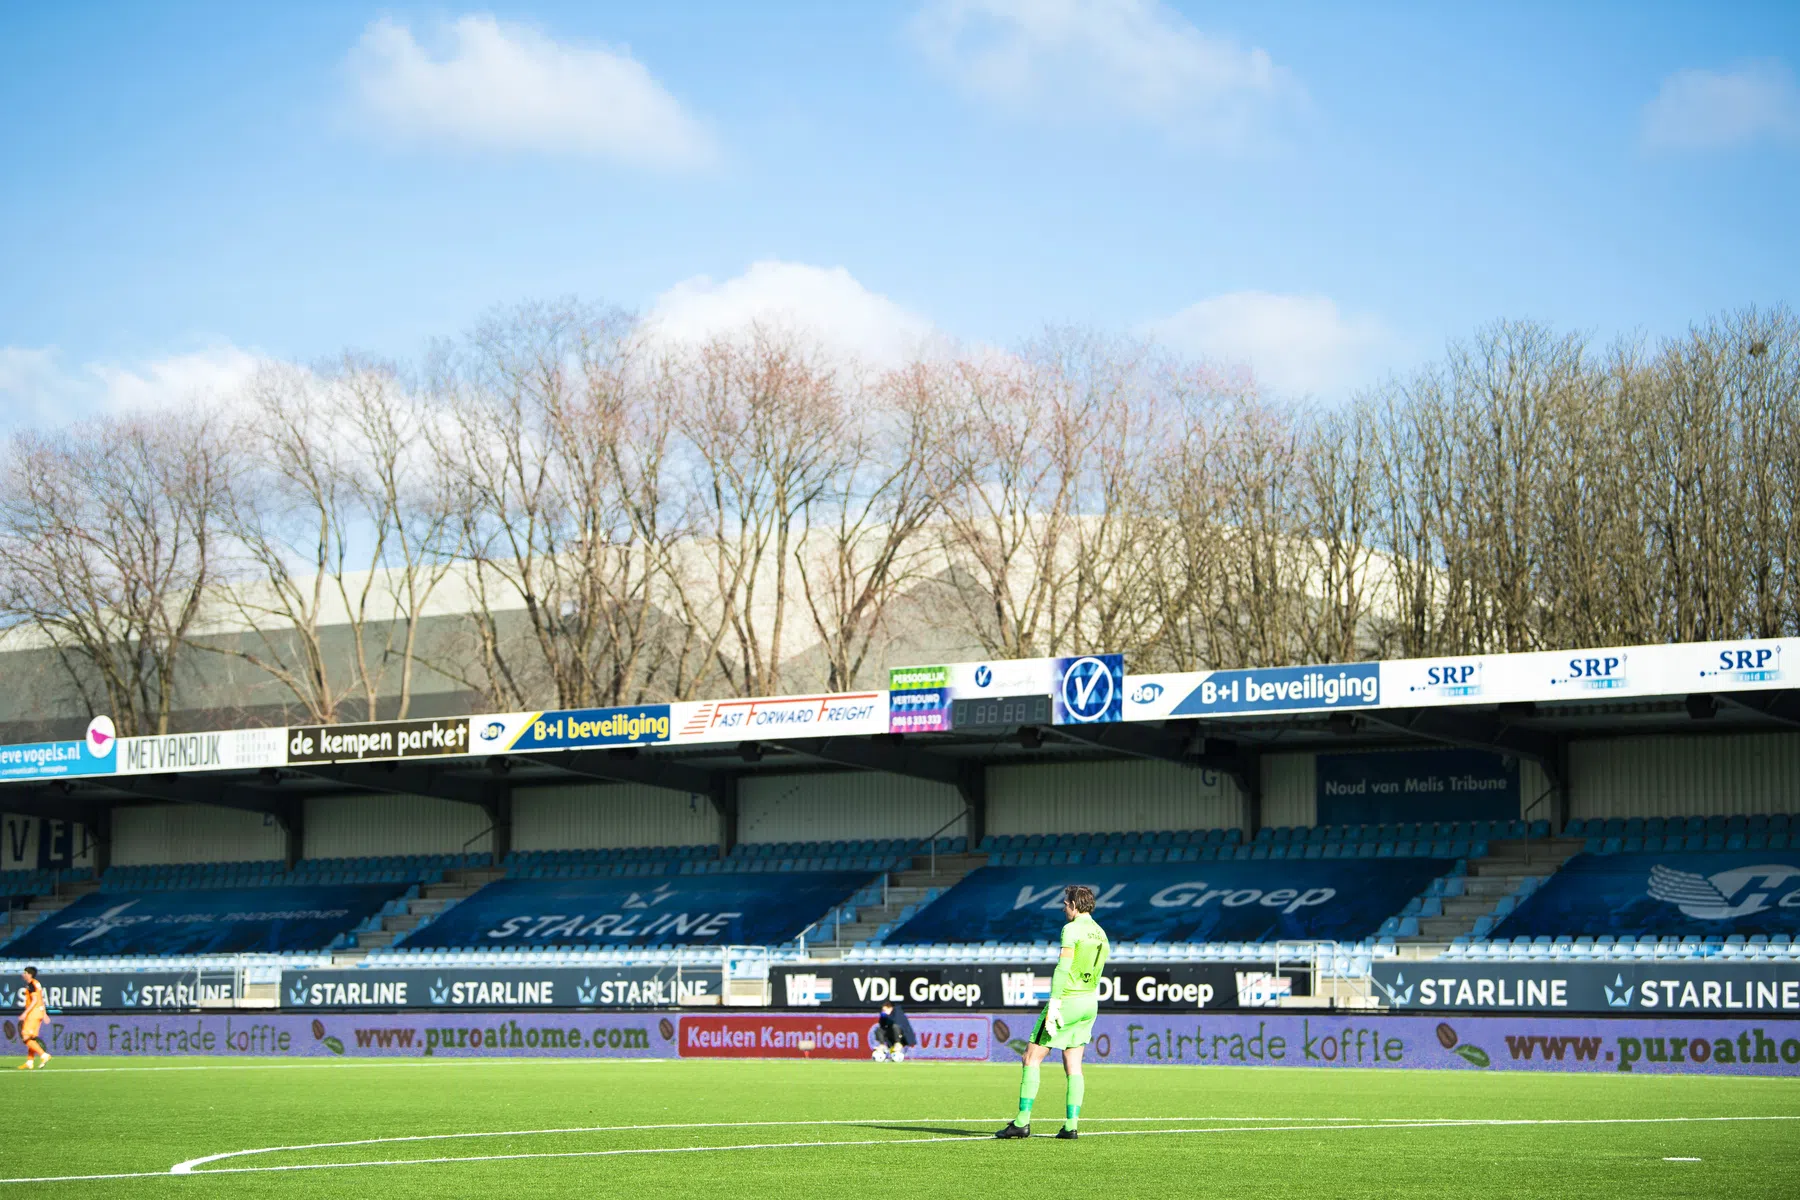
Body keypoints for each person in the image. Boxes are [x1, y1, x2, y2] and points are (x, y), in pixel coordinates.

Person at [997, 884, 1108, 1141]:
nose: (1063, 908)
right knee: (1074, 1065)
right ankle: (1071, 1125)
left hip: (1068, 1001)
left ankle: (1022, 1122)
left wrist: (1055, 1003)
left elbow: (1063, 968)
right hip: (1089, 1003)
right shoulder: (1101, 933)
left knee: (1030, 1058)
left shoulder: (1071, 929)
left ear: (1075, 905)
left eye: (1066, 903)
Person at [17, 966, 50, 1070]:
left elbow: (35, 1000)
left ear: (29, 974)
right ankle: (30, 1061)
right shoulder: (36, 983)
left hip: (33, 1013)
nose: (23, 974)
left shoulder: (31, 984)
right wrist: (44, 1013)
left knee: (25, 1037)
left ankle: (43, 1055)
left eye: (25, 973)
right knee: (31, 1038)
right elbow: (41, 999)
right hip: (39, 1012)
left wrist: (25, 1013)